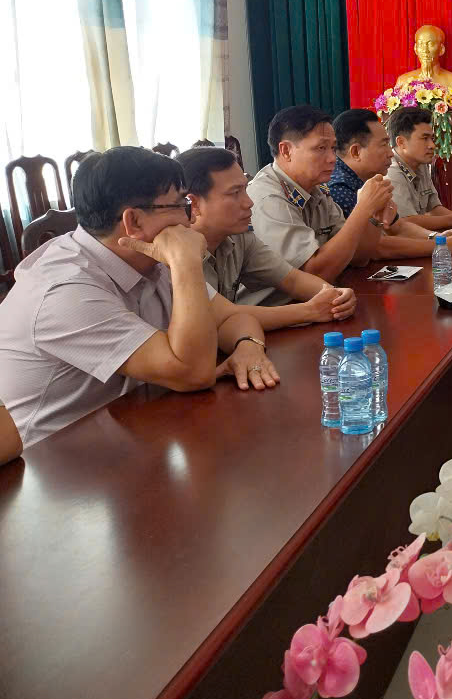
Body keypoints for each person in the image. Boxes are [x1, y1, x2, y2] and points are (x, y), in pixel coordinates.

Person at [0, 147, 279, 447]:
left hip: (133, 428)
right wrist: (186, 263)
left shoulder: (145, 256)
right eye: (180, 205)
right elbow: (193, 372)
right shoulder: (65, 290)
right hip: (55, 460)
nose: (188, 220)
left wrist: (248, 346)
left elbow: (231, 317)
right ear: (133, 221)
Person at [179, 146, 358, 330]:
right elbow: (219, 315)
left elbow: (292, 280)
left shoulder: (239, 238)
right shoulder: (177, 252)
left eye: (244, 189)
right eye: (234, 193)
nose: (249, 202)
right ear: (195, 204)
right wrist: (310, 311)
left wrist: (335, 296)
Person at [245, 106, 390, 293]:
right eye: (321, 148)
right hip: (277, 308)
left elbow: (359, 257)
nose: (332, 158)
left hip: (319, 302)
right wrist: (363, 209)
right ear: (286, 150)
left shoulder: (317, 189)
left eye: (333, 148)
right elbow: (316, 274)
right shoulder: (269, 197)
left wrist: (374, 216)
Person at [327, 110, 452, 256]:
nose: (391, 153)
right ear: (356, 152)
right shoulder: (339, 188)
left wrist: (438, 237)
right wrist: (444, 245)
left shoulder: (370, 180)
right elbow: (375, 248)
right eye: (384, 144)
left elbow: (398, 226)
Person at [383, 107, 452, 231]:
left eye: (432, 139)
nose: (432, 145)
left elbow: (434, 208)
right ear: (401, 142)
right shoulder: (390, 171)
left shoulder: (420, 163)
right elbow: (405, 222)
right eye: (425, 138)